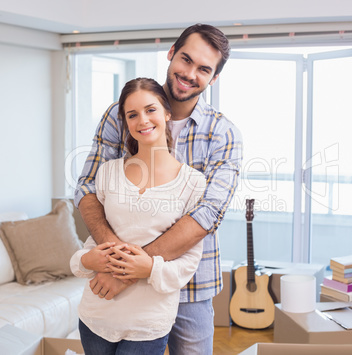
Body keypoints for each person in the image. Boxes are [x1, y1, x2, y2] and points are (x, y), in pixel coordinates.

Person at [74, 23, 243, 354]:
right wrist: (117, 261)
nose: (190, 73)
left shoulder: (224, 134)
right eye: (185, 59)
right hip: (118, 288)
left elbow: (207, 215)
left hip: (191, 285)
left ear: (214, 78)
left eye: (204, 69)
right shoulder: (120, 115)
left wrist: (133, 269)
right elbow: (87, 188)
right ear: (170, 54)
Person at [71, 77, 206, 355]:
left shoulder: (193, 183)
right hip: (96, 314)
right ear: (125, 123)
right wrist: (86, 259)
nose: (142, 120)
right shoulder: (107, 173)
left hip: (149, 323)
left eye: (150, 110)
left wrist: (149, 268)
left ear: (167, 112)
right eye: (132, 115)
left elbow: (188, 263)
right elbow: (91, 246)